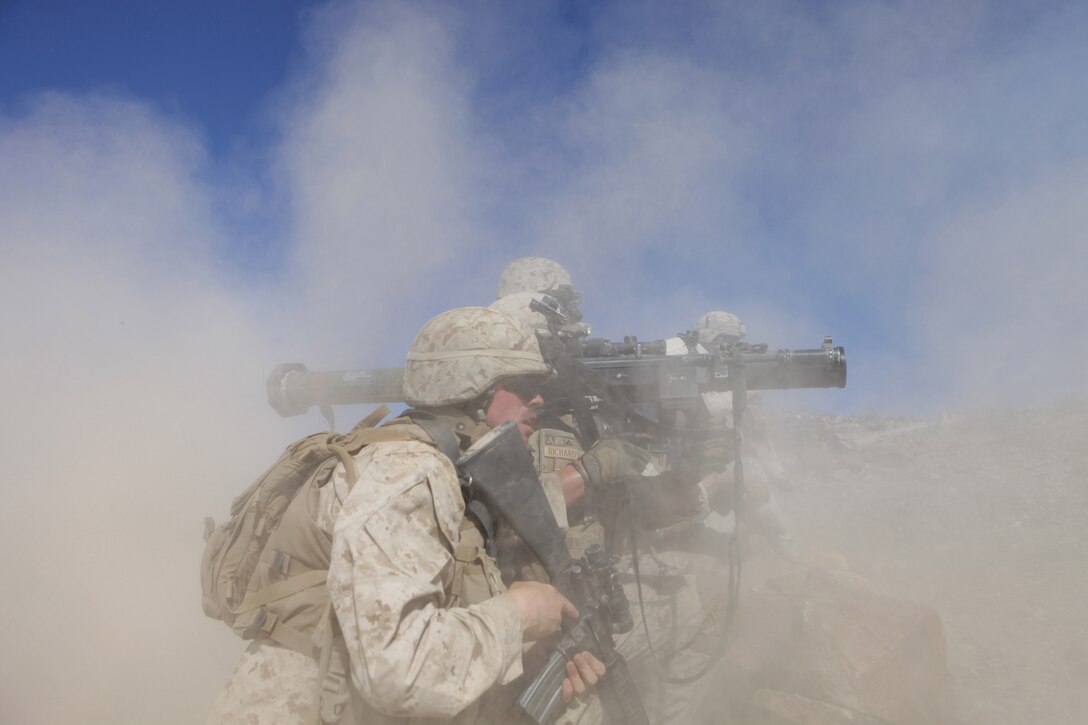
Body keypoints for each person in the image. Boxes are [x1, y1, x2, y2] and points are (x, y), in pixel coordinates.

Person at [208, 307, 605, 724]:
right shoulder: (412, 471)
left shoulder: (445, 467)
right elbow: (400, 671)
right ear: (473, 387)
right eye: (524, 386)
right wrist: (519, 614)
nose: (539, 399)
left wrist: (528, 658)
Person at [489, 287, 733, 725]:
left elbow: (633, 510)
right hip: (521, 623)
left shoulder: (576, 420)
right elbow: (494, 514)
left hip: (584, 607)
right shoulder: (485, 425)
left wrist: (690, 472)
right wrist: (588, 471)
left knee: (703, 598)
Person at [692, 310, 795, 557]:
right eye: (725, 339)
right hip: (697, 465)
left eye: (735, 341)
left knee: (776, 522)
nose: (731, 346)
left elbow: (758, 434)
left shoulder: (739, 374)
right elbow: (706, 404)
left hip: (738, 464)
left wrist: (778, 472)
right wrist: (744, 394)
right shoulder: (693, 366)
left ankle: (784, 559)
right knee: (700, 521)